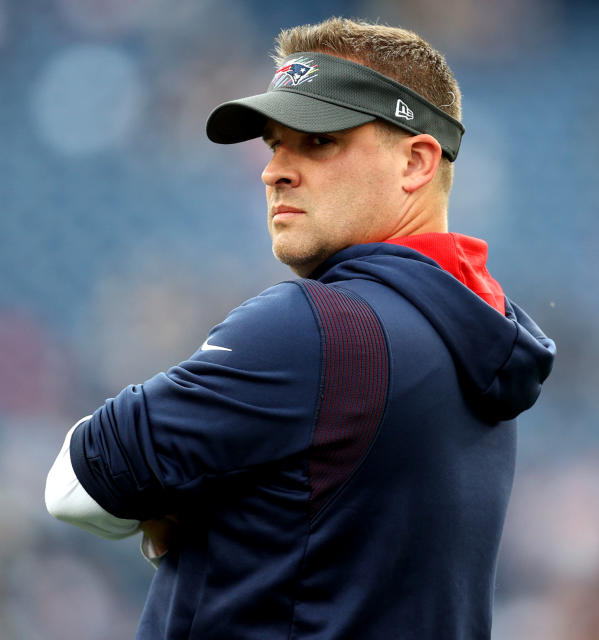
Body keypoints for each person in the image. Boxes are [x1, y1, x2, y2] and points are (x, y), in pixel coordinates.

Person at [43, 17, 555, 640]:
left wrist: (185, 505)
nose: (274, 171)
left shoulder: (316, 328)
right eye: (274, 145)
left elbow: (73, 484)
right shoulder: (482, 334)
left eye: (319, 142)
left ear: (417, 162)